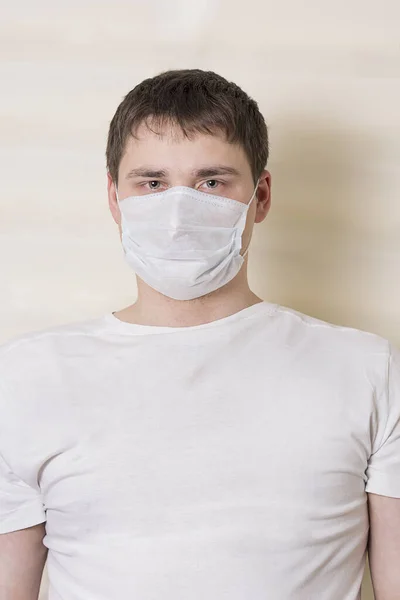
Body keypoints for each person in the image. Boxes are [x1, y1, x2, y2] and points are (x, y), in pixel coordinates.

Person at [0, 69, 399, 600]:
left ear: (260, 196)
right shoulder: (27, 377)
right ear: (115, 200)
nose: (179, 211)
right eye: (152, 183)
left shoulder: (368, 370)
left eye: (212, 182)